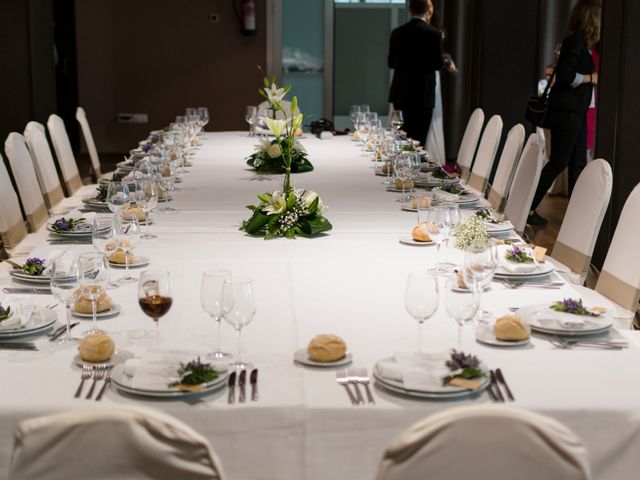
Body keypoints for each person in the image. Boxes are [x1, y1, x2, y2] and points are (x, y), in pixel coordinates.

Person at [528, 0, 600, 225]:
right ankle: (527, 208)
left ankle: (578, 218)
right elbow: (567, 76)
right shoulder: (575, 42)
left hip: (575, 112)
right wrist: (591, 78)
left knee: (577, 163)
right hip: (567, 113)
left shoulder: (582, 44)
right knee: (559, 162)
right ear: (591, 20)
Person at [388, 0, 444, 147]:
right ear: (427, 10)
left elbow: (391, 63)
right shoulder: (433, 33)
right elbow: (438, 64)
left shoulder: (397, 33)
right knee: (419, 143)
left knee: (401, 141)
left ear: (410, 9)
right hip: (423, 96)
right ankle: (415, 169)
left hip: (401, 95)